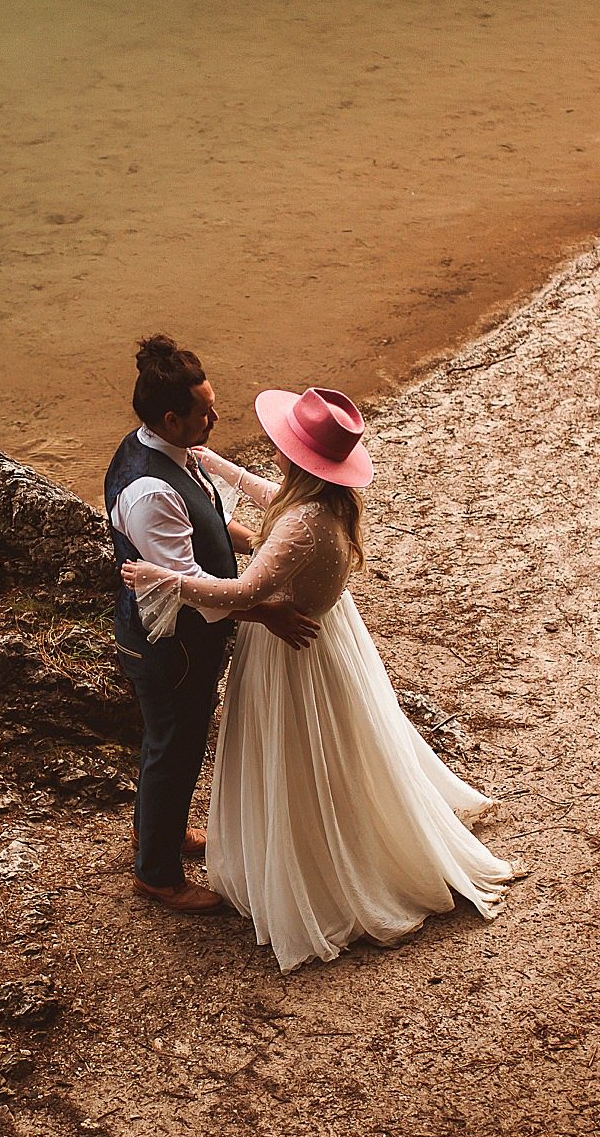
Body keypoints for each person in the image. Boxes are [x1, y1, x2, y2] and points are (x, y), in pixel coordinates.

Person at [121, 385, 515, 970]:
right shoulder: (324, 501)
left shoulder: (302, 522)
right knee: (331, 753)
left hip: (288, 655)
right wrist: (212, 463)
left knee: (295, 757)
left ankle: (310, 866)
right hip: (326, 639)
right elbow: (267, 495)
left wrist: (164, 579)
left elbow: (246, 591)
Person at [104, 336, 321, 914]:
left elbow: (205, 528)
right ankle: (157, 875)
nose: (216, 417)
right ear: (171, 419)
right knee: (173, 746)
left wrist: (251, 539)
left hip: (184, 636)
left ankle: (163, 833)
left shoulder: (170, 453)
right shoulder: (150, 492)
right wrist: (265, 611)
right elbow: (190, 592)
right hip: (169, 643)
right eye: (204, 411)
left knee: (176, 742)